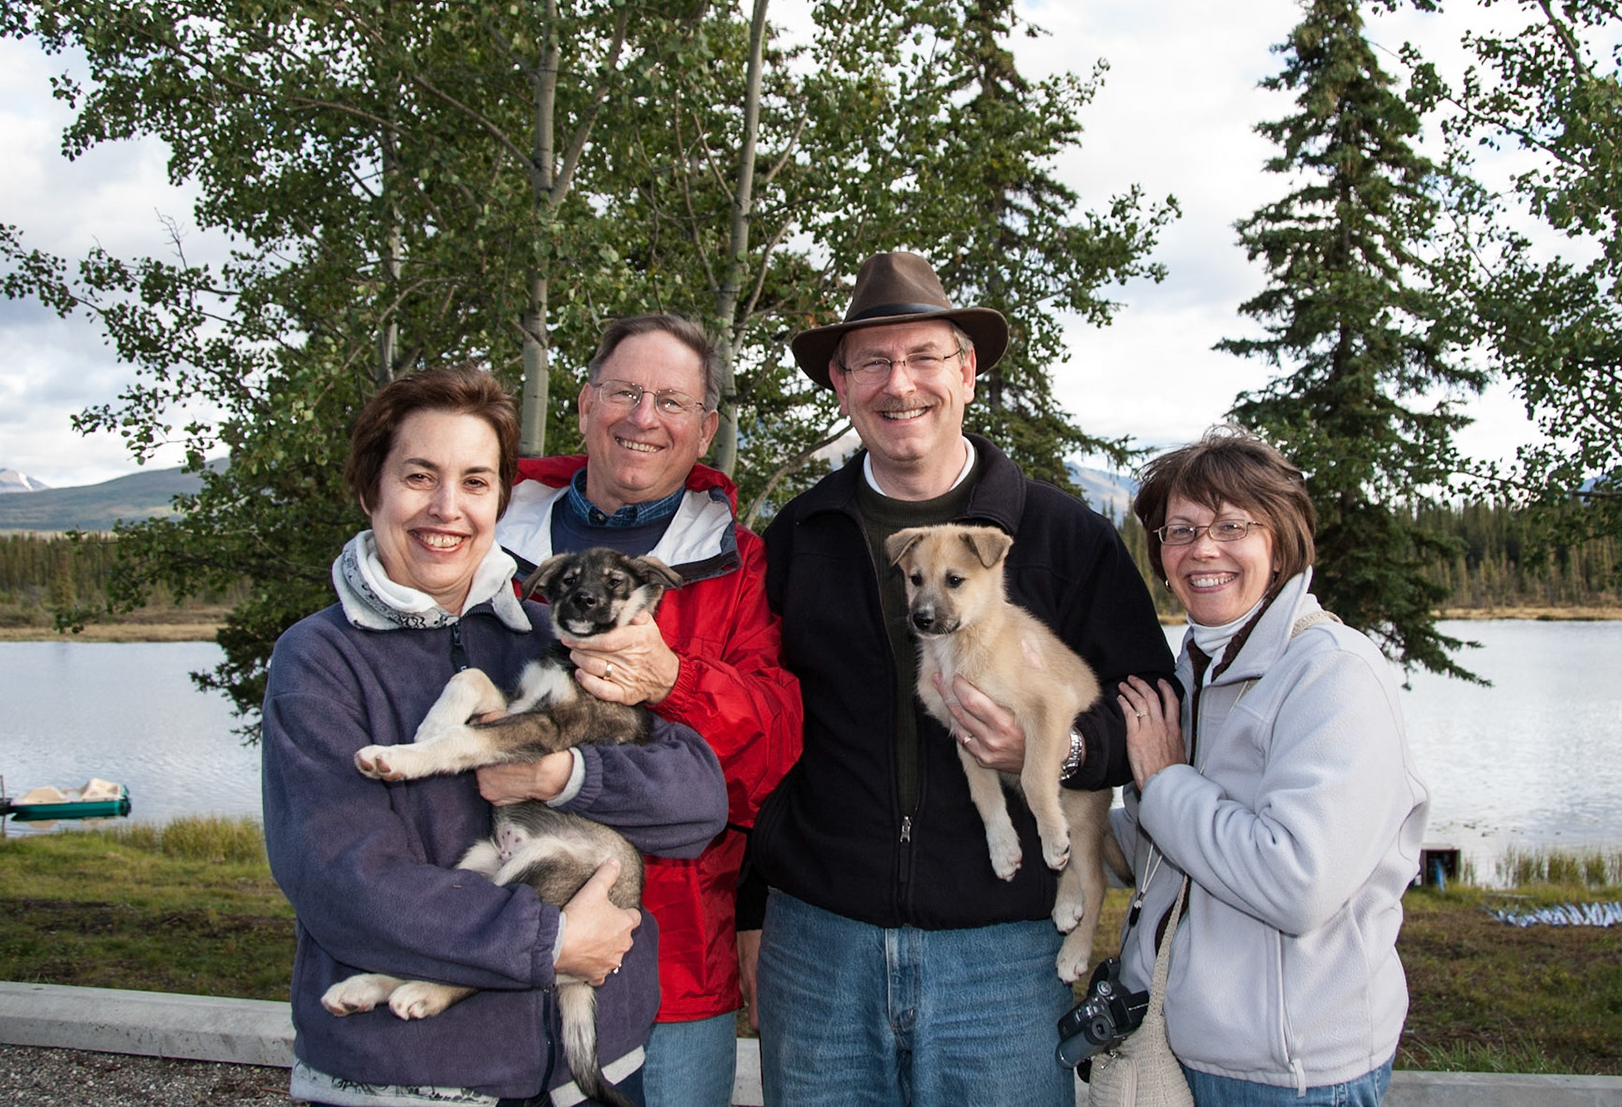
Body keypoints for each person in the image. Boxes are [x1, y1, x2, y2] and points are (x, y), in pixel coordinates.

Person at [744, 251, 1177, 1107]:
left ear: (967, 371)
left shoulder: (1059, 536)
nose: (899, 384)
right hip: (819, 946)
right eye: (872, 361)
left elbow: (1152, 710)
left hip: (1006, 957)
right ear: (840, 382)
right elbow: (760, 733)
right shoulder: (800, 536)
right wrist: (754, 913)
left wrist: (1055, 751)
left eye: (924, 357)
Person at [261, 366, 729, 1107]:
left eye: (476, 482)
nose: (448, 508)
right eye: (419, 476)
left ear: (500, 502)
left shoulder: (556, 630)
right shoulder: (320, 660)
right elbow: (343, 882)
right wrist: (549, 945)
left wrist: (566, 774)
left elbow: (699, 802)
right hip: (413, 1076)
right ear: (368, 489)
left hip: (590, 1069)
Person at [492, 315, 802, 1107]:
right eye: (625, 391)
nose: (643, 417)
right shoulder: (483, 536)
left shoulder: (737, 563)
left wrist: (675, 680)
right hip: (486, 940)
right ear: (586, 402)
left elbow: (772, 757)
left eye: (671, 400)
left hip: (670, 964)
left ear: (706, 428)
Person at [1111, 428, 1429, 1105]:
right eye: (1181, 529)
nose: (1203, 548)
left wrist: (1165, 783)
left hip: (1291, 1074)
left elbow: (1296, 884)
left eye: (1232, 525)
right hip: (1188, 1047)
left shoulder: (1331, 676)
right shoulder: (1198, 671)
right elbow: (1176, 853)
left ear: (1279, 543)